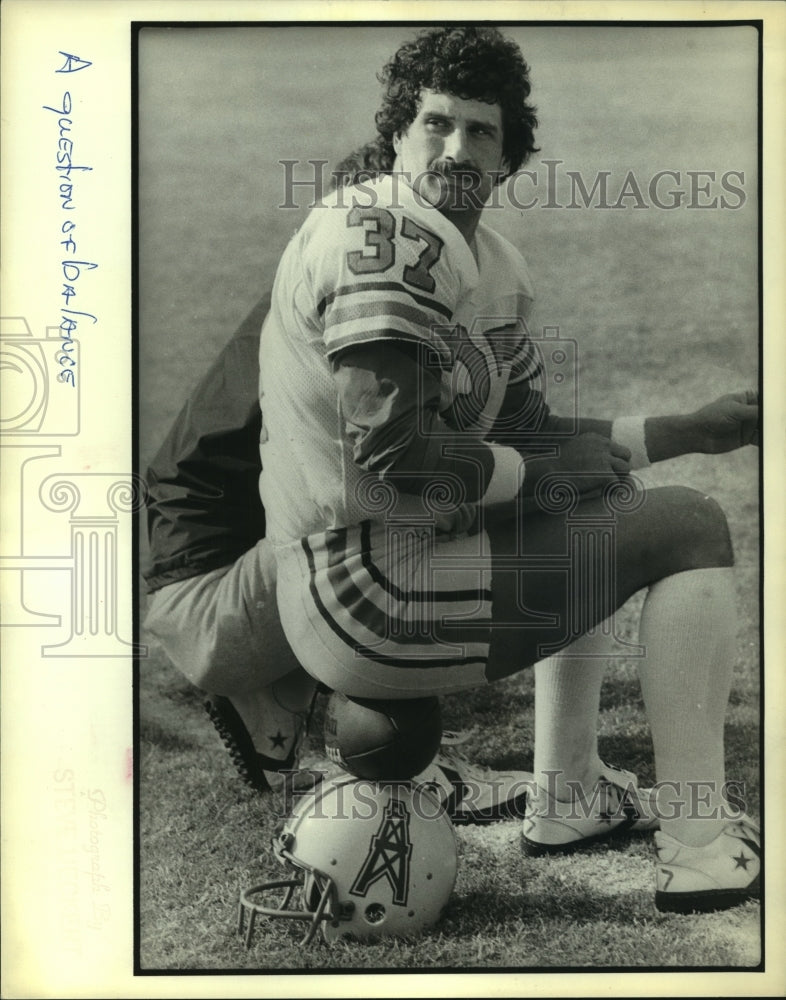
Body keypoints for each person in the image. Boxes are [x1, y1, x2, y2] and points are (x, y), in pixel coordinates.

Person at [256, 25, 760, 914]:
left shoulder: (488, 262)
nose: (456, 148)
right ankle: (700, 840)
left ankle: (568, 798)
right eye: (435, 124)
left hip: (389, 563)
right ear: (397, 135)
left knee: (604, 495)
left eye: (480, 131)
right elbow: (394, 461)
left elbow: (529, 436)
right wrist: (537, 474)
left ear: (509, 151)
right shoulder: (384, 232)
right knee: (691, 526)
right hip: (359, 583)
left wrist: (691, 428)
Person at [142, 139, 660, 831]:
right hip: (211, 604)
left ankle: (279, 696)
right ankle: (369, 746)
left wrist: (664, 434)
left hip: (219, 583)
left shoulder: (320, 296)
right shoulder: (352, 329)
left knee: (462, 491)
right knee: (430, 514)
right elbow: (358, 494)